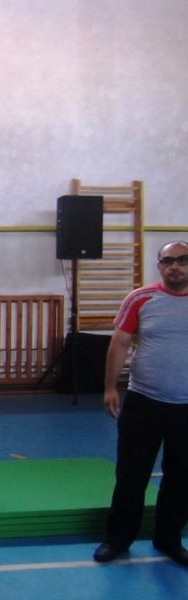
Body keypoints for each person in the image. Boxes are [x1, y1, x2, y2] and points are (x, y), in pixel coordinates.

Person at [93, 241, 188, 565]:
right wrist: (110, 387)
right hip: (144, 403)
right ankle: (117, 540)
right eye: (168, 261)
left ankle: (169, 539)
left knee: (182, 477)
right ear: (159, 266)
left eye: (182, 260)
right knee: (131, 476)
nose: (175, 266)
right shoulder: (140, 298)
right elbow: (119, 343)